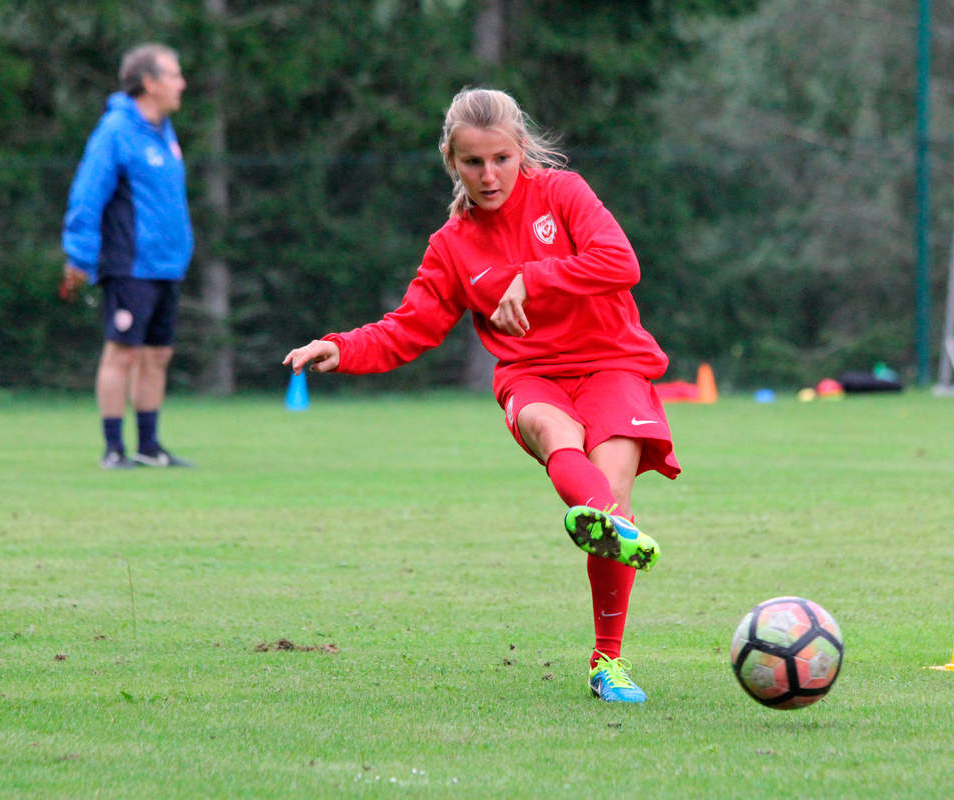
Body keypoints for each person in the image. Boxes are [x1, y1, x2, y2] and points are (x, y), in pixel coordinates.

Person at [284, 87, 680, 704]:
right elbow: (408, 327)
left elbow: (620, 262)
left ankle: (607, 658)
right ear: (451, 160)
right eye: (473, 163)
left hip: (612, 364)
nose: (489, 175)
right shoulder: (453, 246)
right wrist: (343, 347)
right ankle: (607, 523)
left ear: (521, 151)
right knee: (557, 436)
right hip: (531, 375)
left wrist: (533, 277)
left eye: (500, 159)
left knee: (612, 493)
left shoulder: (563, 194)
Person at [61, 43, 195, 469]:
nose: (182, 83)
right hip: (129, 263)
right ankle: (113, 449)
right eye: (174, 75)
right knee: (122, 352)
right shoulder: (115, 131)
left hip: (166, 265)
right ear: (150, 83)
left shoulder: (163, 132)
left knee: (157, 355)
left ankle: (149, 448)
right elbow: (87, 195)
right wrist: (79, 257)